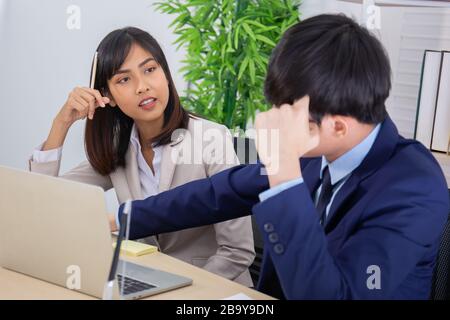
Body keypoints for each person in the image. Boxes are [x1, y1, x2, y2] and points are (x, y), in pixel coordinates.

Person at [112, 15, 449, 299]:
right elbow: (219, 193)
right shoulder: (317, 150)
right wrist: (123, 218)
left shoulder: (413, 187)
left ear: (340, 127)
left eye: (287, 112)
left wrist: (284, 174)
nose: (274, 120)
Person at [28, 27, 255, 286]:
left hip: (210, 291)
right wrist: (61, 124)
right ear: (108, 96)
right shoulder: (118, 148)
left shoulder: (211, 138)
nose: (143, 87)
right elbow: (45, 201)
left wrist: (178, 290)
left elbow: (237, 251)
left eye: (150, 70)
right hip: (145, 283)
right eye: (124, 80)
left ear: (166, 75)